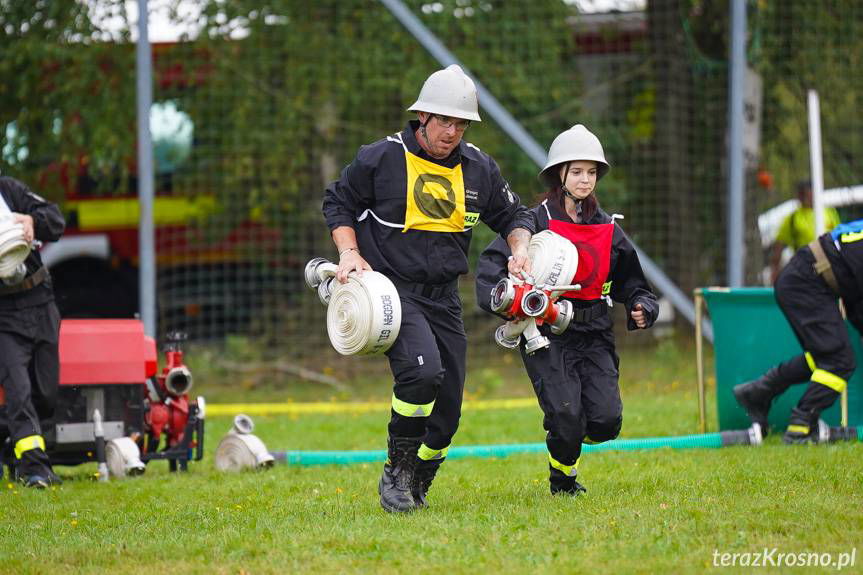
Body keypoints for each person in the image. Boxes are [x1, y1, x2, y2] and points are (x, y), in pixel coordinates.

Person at [322, 65, 535, 513]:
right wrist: (347, 252)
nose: (452, 131)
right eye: (444, 121)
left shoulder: (480, 168)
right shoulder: (380, 157)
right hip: (393, 292)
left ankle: (419, 480)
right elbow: (338, 201)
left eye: (461, 124)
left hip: (445, 297)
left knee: (449, 412)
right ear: (422, 117)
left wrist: (520, 250)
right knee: (422, 372)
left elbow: (516, 217)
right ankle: (395, 475)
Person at [476, 124, 658, 495]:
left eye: (591, 173)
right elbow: (491, 271)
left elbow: (633, 282)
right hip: (545, 332)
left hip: (595, 332)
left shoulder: (609, 228)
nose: (585, 180)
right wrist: (506, 302)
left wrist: (643, 305)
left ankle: (572, 435)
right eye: (576, 171)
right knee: (565, 414)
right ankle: (564, 481)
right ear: (560, 175)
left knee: (606, 422)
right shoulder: (533, 222)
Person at [735, 219, 863, 443]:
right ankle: (800, 427)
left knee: (826, 357)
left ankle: (758, 392)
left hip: (809, 279)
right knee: (839, 360)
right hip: (806, 282)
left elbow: (855, 298)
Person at [0, 176, 65, 487]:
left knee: (46, 394)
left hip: (41, 302)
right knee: (19, 392)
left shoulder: (9, 191)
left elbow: (56, 220)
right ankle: (34, 469)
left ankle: (9, 446)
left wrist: (31, 221)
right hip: (4, 316)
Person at [770, 180, 840, 283]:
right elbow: (779, 245)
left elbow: (838, 237)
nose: (805, 197)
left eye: (807, 193)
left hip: (828, 263)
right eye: (802, 194)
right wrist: (775, 270)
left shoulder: (829, 213)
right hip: (804, 265)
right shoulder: (793, 218)